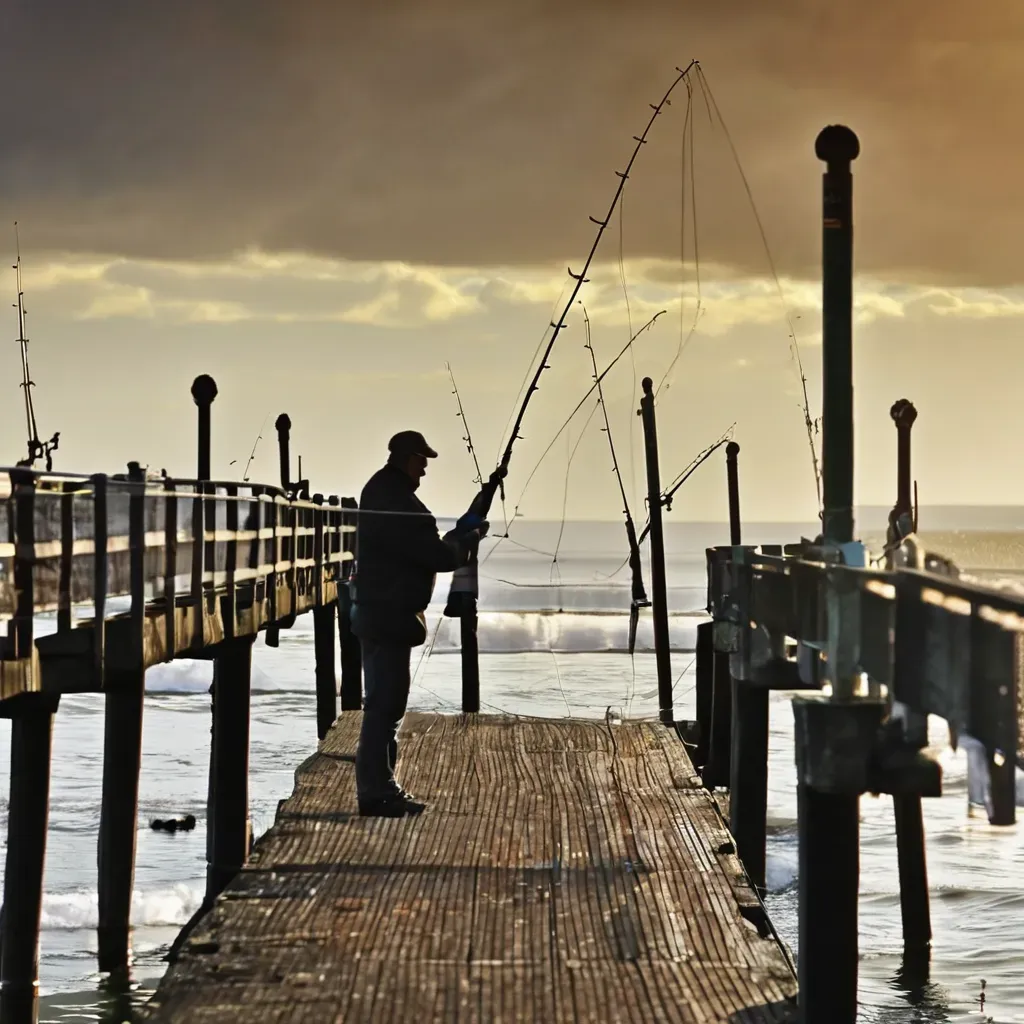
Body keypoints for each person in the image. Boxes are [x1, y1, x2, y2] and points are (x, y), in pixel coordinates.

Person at [349, 430, 487, 817]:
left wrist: (456, 537)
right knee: (386, 706)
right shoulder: (399, 503)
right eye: (421, 461)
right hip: (390, 614)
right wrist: (466, 538)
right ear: (406, 457)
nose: (425, 469)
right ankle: (377, 792)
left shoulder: (380, 492)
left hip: (375, 611)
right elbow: (438, 556)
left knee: (381, 703)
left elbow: (421, 547)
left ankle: (380, 786)